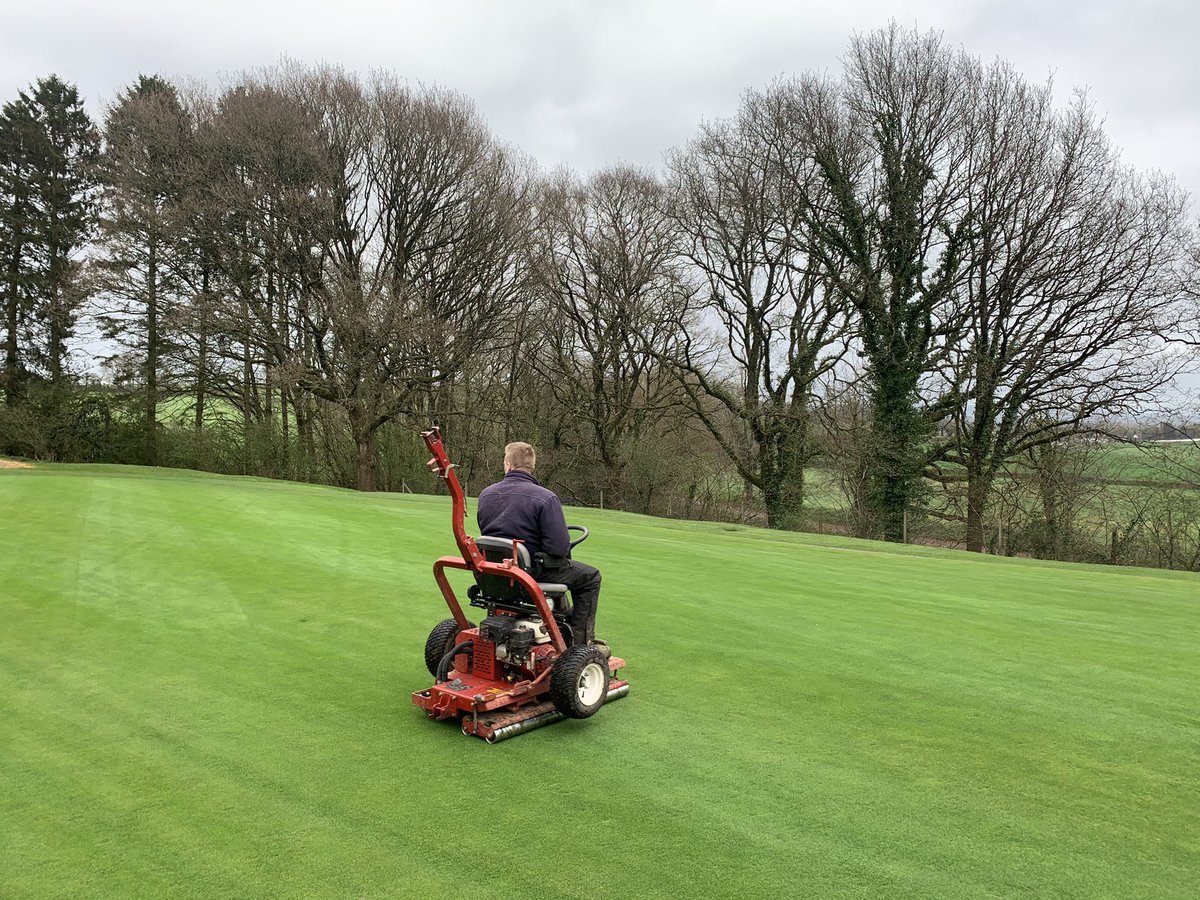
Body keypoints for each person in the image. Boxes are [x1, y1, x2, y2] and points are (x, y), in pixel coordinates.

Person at [476, 441, 603, 651]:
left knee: (564, 570)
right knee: (590, 577)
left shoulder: (486, 494)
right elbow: (559, 549)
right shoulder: (545, 498)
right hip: (529, 574)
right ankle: (580, 645)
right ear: (531, 466)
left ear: (507, 464)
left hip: (496, 574)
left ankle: (556, 624)